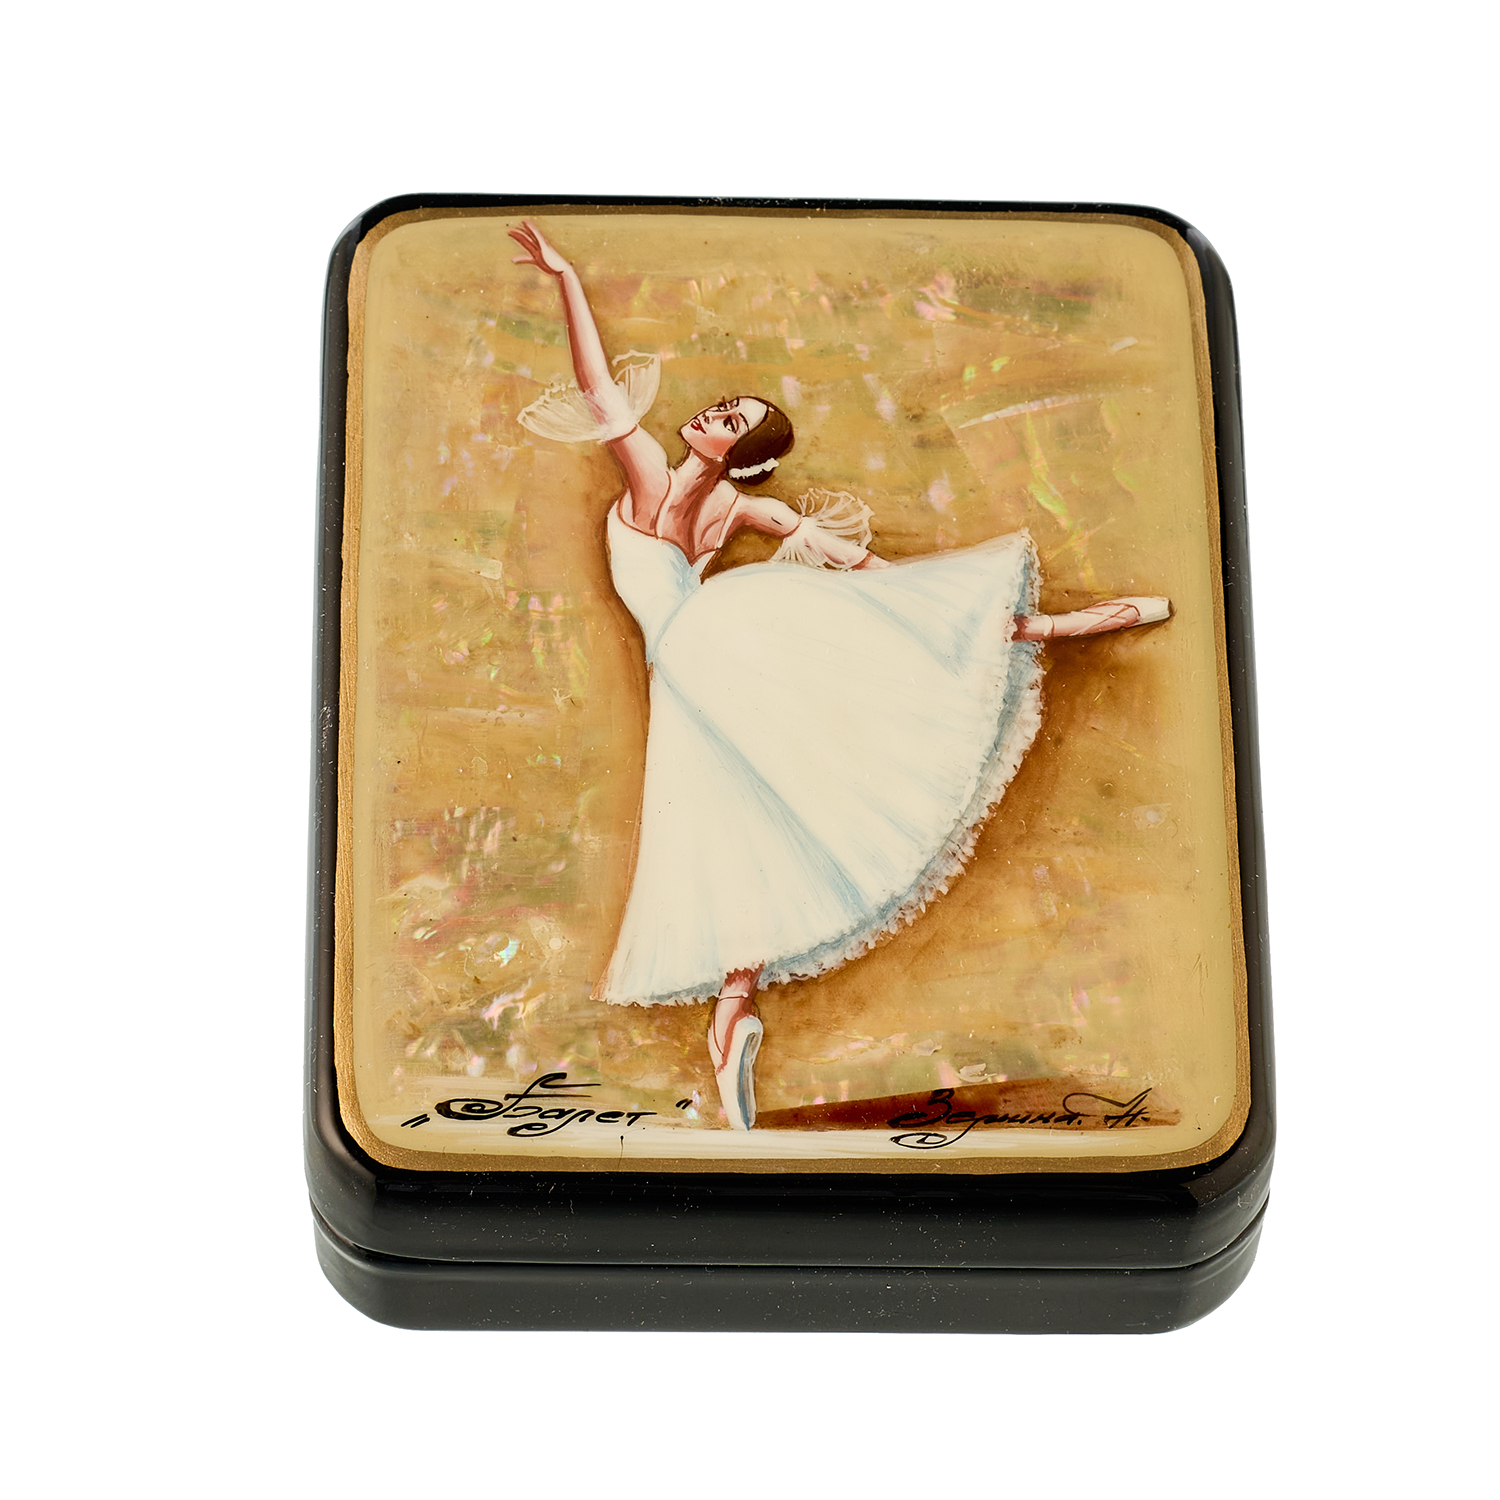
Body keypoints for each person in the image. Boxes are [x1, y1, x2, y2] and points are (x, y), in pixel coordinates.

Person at [508, 220, 1169, 1131]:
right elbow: (863, 575)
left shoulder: (659, 480)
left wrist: (565, 279)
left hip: (696, 650)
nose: (709, 414)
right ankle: (734, 1015)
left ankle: (735, 1010)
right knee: (750, 812)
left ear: (735, 454)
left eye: (728, 421)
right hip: (701, 659)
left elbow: (597, 385)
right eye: (721, 407)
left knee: (729, 821)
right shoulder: (741, 509)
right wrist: (949, 617)